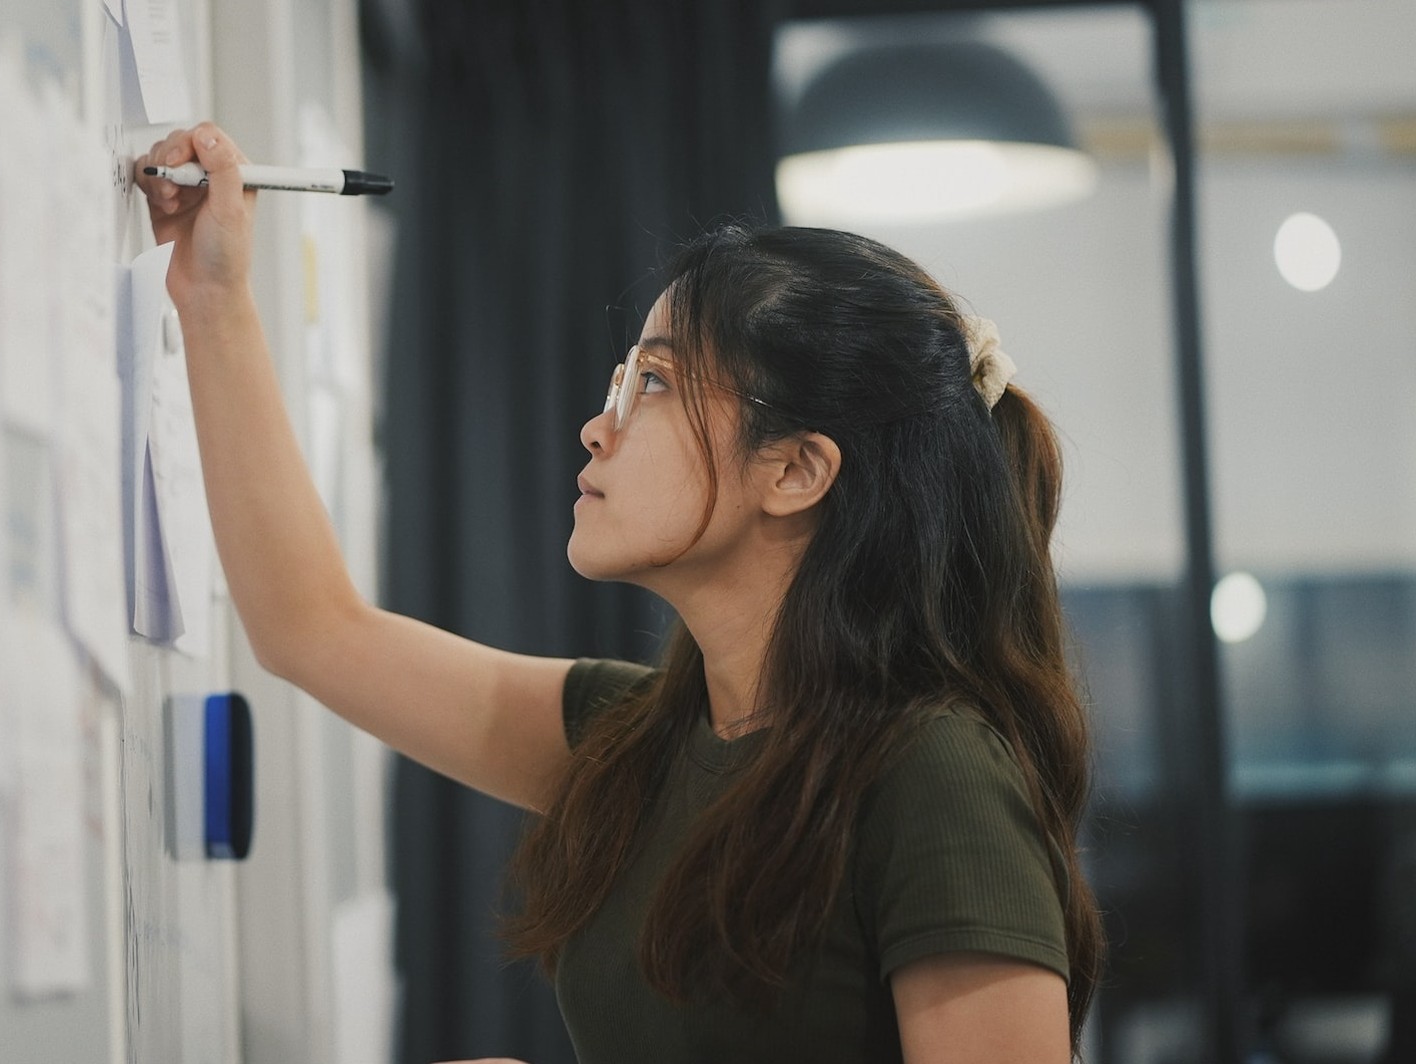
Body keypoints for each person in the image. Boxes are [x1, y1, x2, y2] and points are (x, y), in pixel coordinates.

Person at [134, 121, 1104, 1064]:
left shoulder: (934, 771)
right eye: (620, 382)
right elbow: (312, 628)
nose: (600, 429)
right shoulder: (640, 741)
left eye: (657, 385)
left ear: (797, 471)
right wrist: (214, 298)